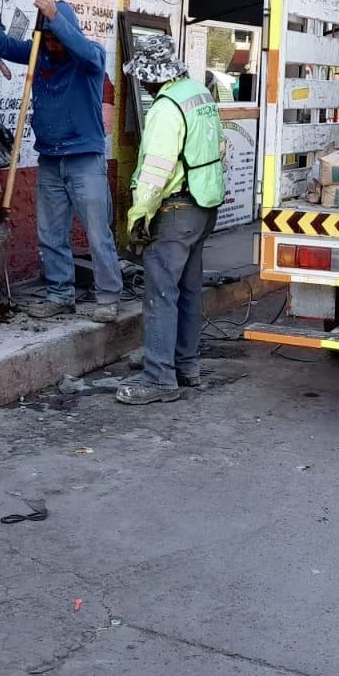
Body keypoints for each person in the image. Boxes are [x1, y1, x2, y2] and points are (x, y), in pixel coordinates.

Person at [0, 0, 122, 322]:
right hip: (50, 158)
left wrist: (56, 19)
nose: (53, 46)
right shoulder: (39, 54)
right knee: (51, 233)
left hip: (84, 157)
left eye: (57, 39)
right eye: (49, 39)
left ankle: (109, 298)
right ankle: (60, 294)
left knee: (97, 232)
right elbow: (0, 44)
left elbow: (83, 50)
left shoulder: (89, 58)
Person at [117, 36, 226, 406]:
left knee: (161, 293)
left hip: (176, 210)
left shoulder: (165, 108)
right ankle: (186, 367)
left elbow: (155, 171)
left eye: (143, 78)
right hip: (203, 207)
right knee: (189, 291)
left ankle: (160, 378)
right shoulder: (200, 93)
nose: (142, 85)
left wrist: (138, 217)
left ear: (151, 77)